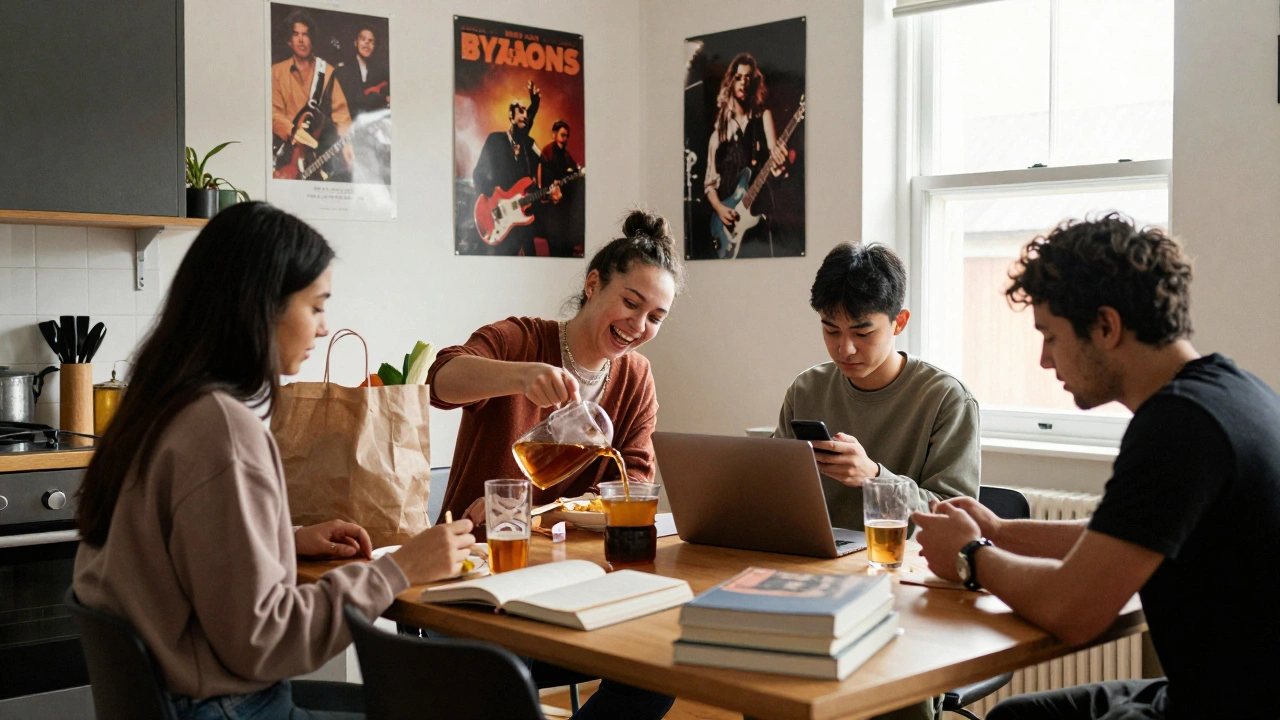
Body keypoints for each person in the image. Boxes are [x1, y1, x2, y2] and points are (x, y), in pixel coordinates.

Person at [73, 202, 476, 719]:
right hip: (225, 708)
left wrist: (281, 538)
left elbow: (171, 553)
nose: (325, 328)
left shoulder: (156, 405)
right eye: (316, 306)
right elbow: (266, 640)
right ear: (261, 305)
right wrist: (398, 570)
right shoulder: (221, 428)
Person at [913, 214, 1280, 720]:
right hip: (1212, 692)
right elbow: (1122, 535)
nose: (1045, 360)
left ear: (1106, 326)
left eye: (1051, 336)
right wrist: (999, 530)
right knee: (1018, 716)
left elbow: (1075, 612)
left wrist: (970, 555)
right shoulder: (1231, 391)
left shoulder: (1178, 425)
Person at [426, 209, 685, 720]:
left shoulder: (635, 378)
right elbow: (440, 381)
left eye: (655, 317)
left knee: (658, 670)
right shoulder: (520, 339)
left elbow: (633, 481)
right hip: (479, 589)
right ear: (593, 285)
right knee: (508, 673)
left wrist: (550, 513)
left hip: (572, 588)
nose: (638, 326)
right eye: (630, 303)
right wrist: (520, 377)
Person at [774, 242, 981, 531]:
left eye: (863, 332)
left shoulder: (947, 399)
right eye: (831, 330)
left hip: (901, 563)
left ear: (900, 323)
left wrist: (873, 477)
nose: (844, 349)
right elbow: (772, 481)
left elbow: (956, 518)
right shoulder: (807, 388)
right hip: (813, 555)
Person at [703, 52, 788, 258]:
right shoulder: (719, 132)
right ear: (731, 82)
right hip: (730, 220)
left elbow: (774, 163)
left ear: (754, 82)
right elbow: (709, 184)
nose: (743, 82)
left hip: (759, 211)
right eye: (738, 77)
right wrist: (719, 208)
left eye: (748, 78)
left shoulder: (763, 117)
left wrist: (778, 167)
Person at [471, 80, 552, 255]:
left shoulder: (527, 148)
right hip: (497, 219)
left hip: (521, 221)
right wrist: (489, 203)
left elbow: (542, 171)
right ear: (510, 117)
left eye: (527, 114)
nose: (525, 116)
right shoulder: (495, 140)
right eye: (520, 112)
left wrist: (548, 192)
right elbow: (478, 174)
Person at [271, 10, 354, 181]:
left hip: (315, 155)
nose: (301, 40)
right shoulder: (276, 72)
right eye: (296, 34)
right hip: (284, 155)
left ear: (312, 40)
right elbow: (273, 113)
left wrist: (348, 143)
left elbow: (341, 115)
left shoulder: (327, 71)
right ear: (289, 40)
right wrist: (291, 130)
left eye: (306, 35)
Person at [333, 25, 391, 186]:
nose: (366, 44)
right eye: (363, 39)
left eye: (371, 41)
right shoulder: (343, 70)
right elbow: (352, 101)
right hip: (350, 132)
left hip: (372, 135)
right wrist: (378, 98)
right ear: (355, 42)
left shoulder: (381, 71)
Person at [537, 119, 584, 257]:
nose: (565, 139)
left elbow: (574, 171)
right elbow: (545, 182)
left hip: (565, 210)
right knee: (556, 246)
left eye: (567, 136)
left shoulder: (566, 154)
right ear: (554, 134)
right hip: (552, 208)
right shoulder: (547, 152)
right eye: (562, 135)